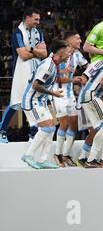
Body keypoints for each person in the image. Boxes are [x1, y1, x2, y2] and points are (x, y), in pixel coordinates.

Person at [21, 40, 72, 169]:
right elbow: (35, 85)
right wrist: (53, 94)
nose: (69, 54)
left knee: (52, 128)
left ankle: (42, 160)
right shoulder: (48, 65)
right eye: (67, 51)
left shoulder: (54, 65)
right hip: (31, 100)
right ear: (60, 52)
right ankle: (29, 155)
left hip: (41, 100)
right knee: (47, 128)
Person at [0, 8, 47, 143]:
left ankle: (33, 135)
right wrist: (36, 51)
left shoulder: (39, 32)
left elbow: (44, 53)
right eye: (36, 19)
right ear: (27, 18)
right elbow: (23, 56)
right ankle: (2, 130)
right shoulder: (17, 33)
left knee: (34, 100)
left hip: (37, 68)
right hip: (22, 70)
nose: (38, 22)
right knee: (16, 101)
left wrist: (31, 49)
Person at [53, 31, 88, 167]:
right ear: (70, 40)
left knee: (74, 125)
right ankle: (58, 154)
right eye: (78, 38)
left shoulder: (77, 55)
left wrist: (85, 76)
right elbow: (56, 77)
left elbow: (87, 67)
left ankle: (66, 154)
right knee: (64, 123)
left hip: (70, 95)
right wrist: (75, 79)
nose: (80, 41)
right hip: (58, 92)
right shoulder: (59, 54)